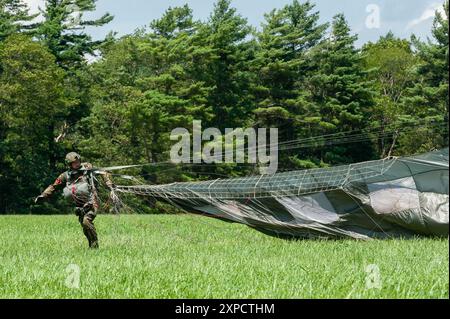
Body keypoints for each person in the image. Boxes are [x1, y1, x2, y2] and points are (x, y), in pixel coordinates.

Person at [35, 152, 114, 248]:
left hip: (92, 201)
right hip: (79, 205)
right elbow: (54, 186)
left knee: (86, 221)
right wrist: (43, 195)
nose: (77, 164)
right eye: (74, 163)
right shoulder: (65, 176)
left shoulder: (87, 168)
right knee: (85, 227)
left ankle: (94, 246)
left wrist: (108, 182)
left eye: (77, 161)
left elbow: (103, 172)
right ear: (69, 164)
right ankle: (91, 246)